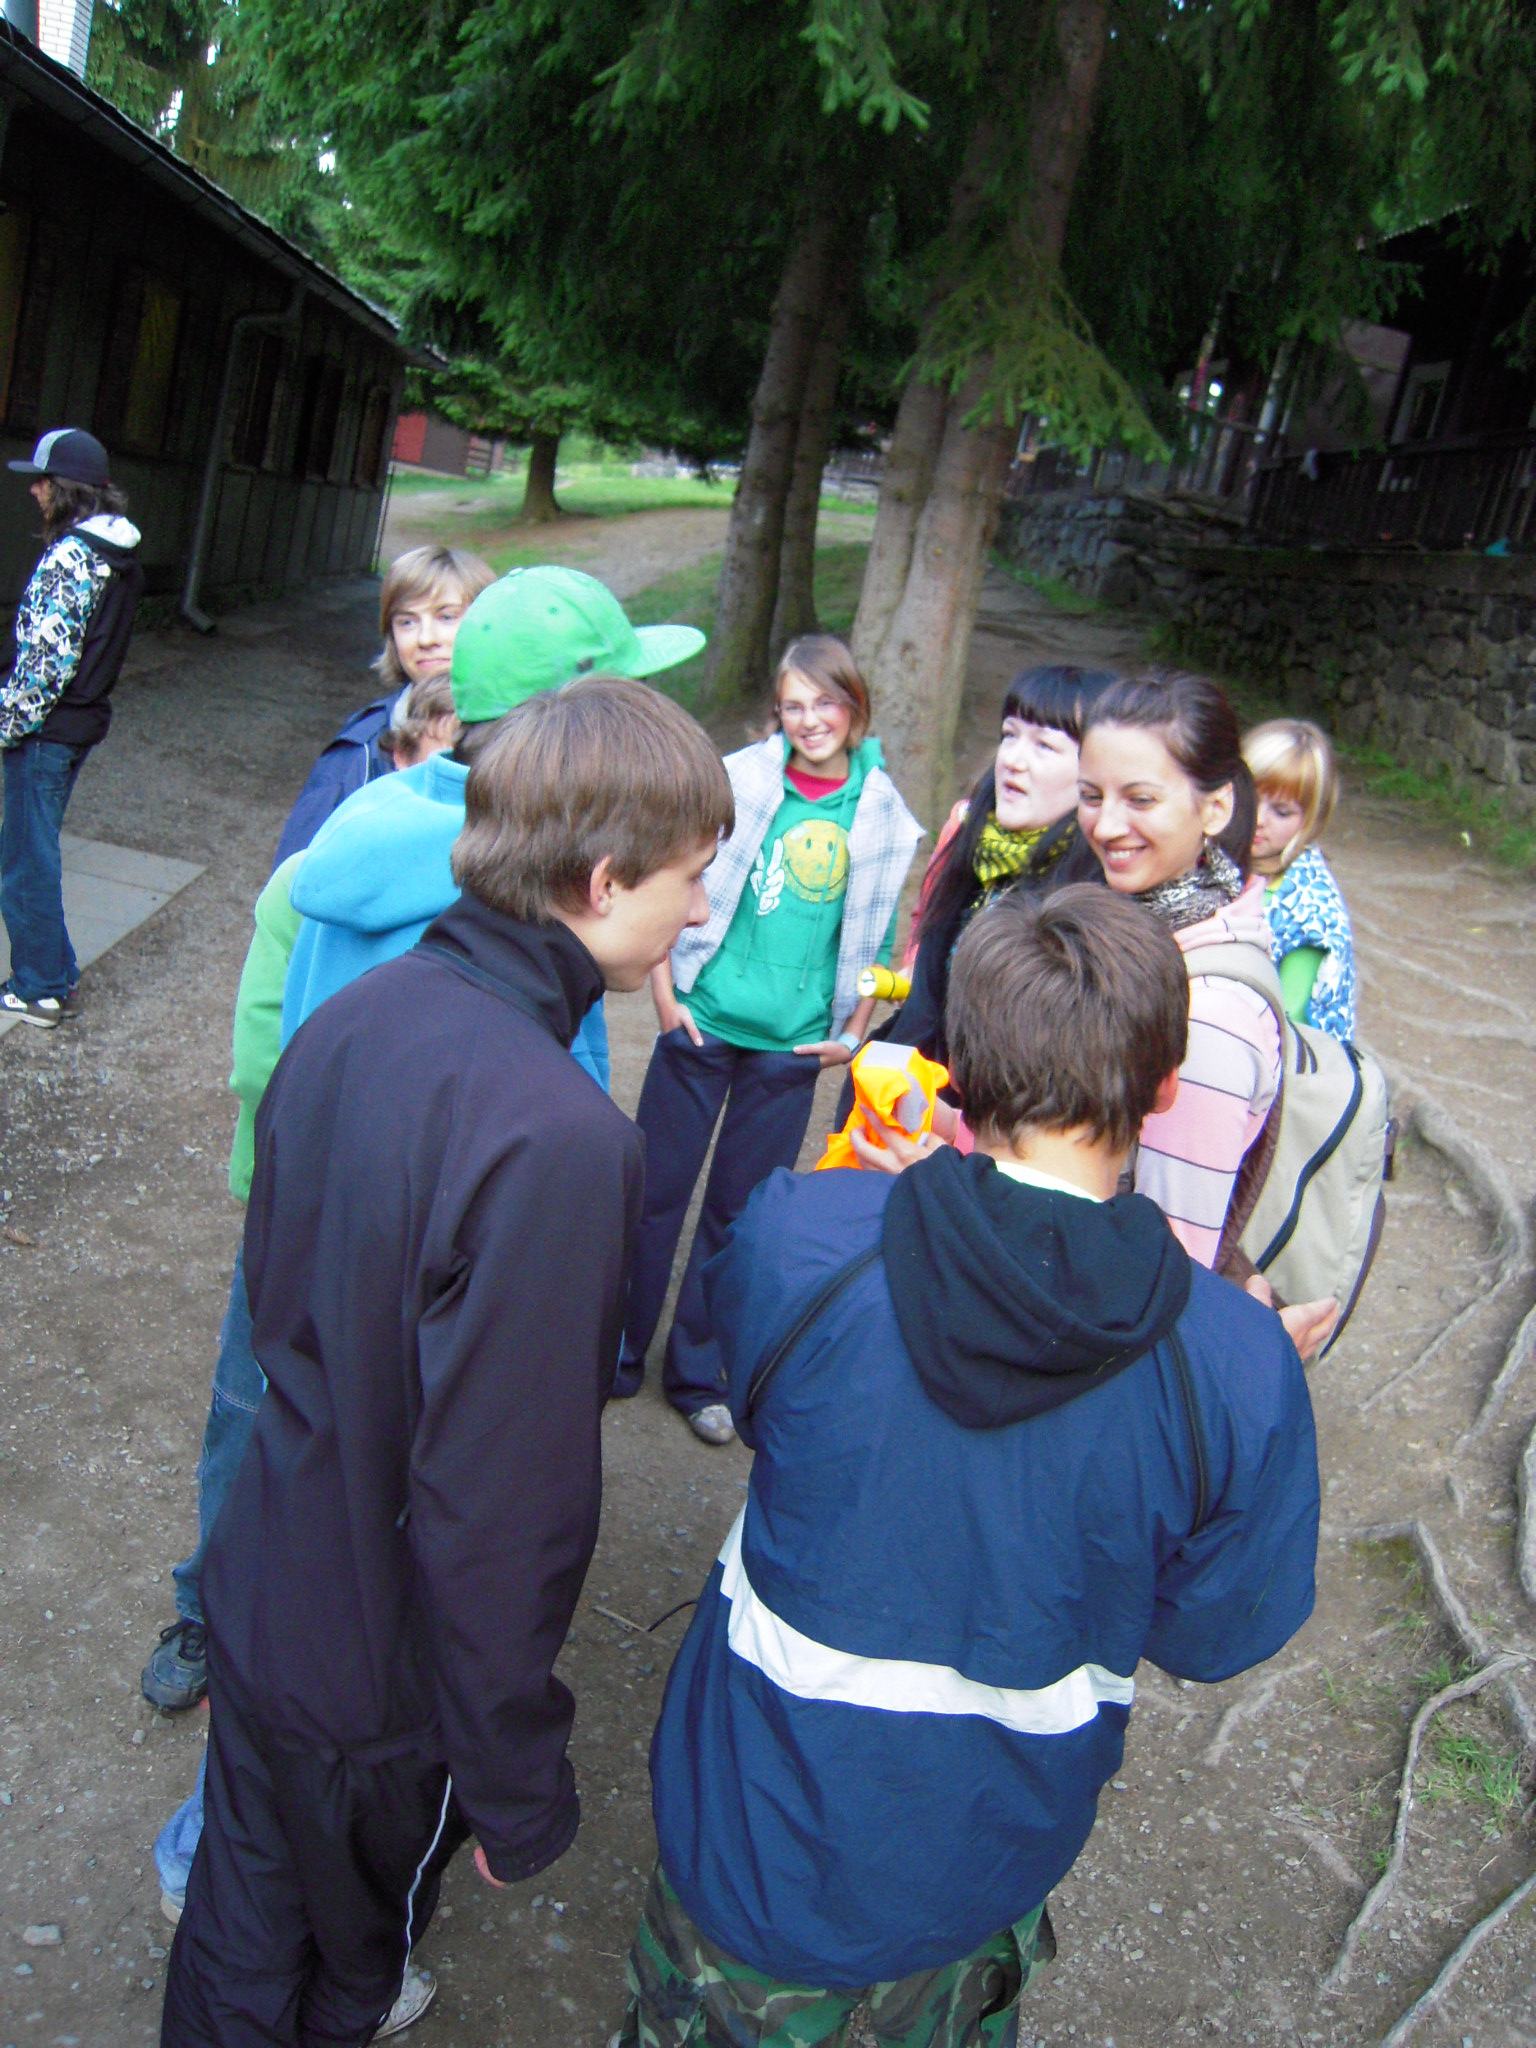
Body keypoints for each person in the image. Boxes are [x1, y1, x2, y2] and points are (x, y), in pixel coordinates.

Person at [621, 885, 1319, 2048]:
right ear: (1162, 1087)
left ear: (956, 1066)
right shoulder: (1238, 1361)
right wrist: (1252, 1386)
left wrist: (897, 1199)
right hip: (987, 1858)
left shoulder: (803, 1236)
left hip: (754, 1831)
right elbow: (1215, 1631)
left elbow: (760, 1401)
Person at [160, 677, 735, 2048]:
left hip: (265, 1583)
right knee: (343, 1967)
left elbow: (276, 1301)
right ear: (605, 880)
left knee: (240, 1926)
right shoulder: (561, 1140)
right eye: (691, 875)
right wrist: (515, 1777)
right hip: (375, 1686)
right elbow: (502, 1503)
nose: (702, 907)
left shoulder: (356, 1015)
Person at [140, 669, 469, 1723]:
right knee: (250, 1409)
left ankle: (324, 1620)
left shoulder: (493, 902)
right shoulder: (317, 880)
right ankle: (206, 1604)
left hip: (403, 1230)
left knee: (366, 1428)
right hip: (300, 1211)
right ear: (398, 762)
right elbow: (260, 1052)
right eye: (435, 763)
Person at [617, 633, 923, 1444]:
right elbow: (673, 872)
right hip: (703, 1019)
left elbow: (876, 934)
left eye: (825, 703)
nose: (810, 719)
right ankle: (615, 1352)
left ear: (854, 708)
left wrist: (852, 1034)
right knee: (652, 1194)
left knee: (739, 1214)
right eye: (793, 705)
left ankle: (697, 1375)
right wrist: (665, 992)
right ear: (776, 713)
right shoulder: (739, 779)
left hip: (791, 1046)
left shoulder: (881, 813)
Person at [279, 566, 704, 1092]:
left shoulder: (375, 811)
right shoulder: (537, 882)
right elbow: (551, 1110)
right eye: (632, 713)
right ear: (572, 727)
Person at [1076, 670, 1337, 1360]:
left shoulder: (1209, 1019)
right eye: (1091, 795)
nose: (1105, 825)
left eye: (1140, 798)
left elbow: (1169, 1266)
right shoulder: (1136, 928)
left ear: (1216, 806)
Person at [867, 663, 1113, 1073]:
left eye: (1045, 746)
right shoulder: (973, 846)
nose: (1013, 760)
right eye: (1009, 735)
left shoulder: (1097, 902)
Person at [1, 429, 144, 1027]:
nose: (33, 490)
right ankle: (55, 972)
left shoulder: (71, 558)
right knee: (34, 851)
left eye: (41, 480)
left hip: (45, 732)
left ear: (65, 489)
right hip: (79, 723)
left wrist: (6, 726)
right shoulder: (118, 554)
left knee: (24, 861)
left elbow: (44, 668)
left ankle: (38, 989)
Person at [270, 545, 493, 869]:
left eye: (446, 617)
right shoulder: (361, 749)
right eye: (407, 622)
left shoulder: (529, 731)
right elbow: (295, 875)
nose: (425, 638)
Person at [1242, 716, 1357, 1040]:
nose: (1258, 819)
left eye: (1281, 811)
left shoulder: (1310, 917)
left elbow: (1288, 1027)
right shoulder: (1212, 859)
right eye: (1250, 796)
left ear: (1312, 820)